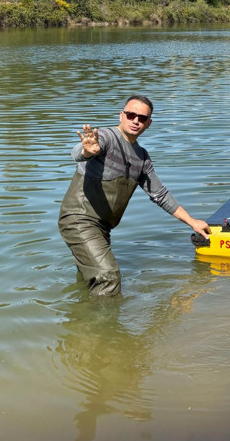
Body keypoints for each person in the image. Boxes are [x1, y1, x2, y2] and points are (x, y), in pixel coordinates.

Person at [58, 94, 210, 296]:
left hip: (102, 228)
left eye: (142, 118)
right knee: (108, 277)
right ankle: (106, 327)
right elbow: (79, 152)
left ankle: (82, 323)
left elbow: (160, 195)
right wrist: (87, 152)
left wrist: (192, 222)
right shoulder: (105, 137)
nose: (136, 120)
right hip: (79, 220)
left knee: (90, 280)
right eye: (131, 115)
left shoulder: (142, 158)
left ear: (149, 123)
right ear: (121, 115)